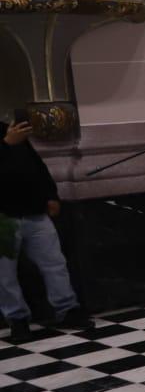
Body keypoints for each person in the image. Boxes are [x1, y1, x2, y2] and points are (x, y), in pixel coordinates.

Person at [0, 118, 88, 342]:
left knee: (54, 263)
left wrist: (50, 194)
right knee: (4, 275)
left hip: (34, 211)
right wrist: (6, 144)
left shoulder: (7, 128)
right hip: (3, 218)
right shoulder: (9, 137)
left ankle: (68, 309)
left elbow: (35, 165)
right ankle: (17, 320)